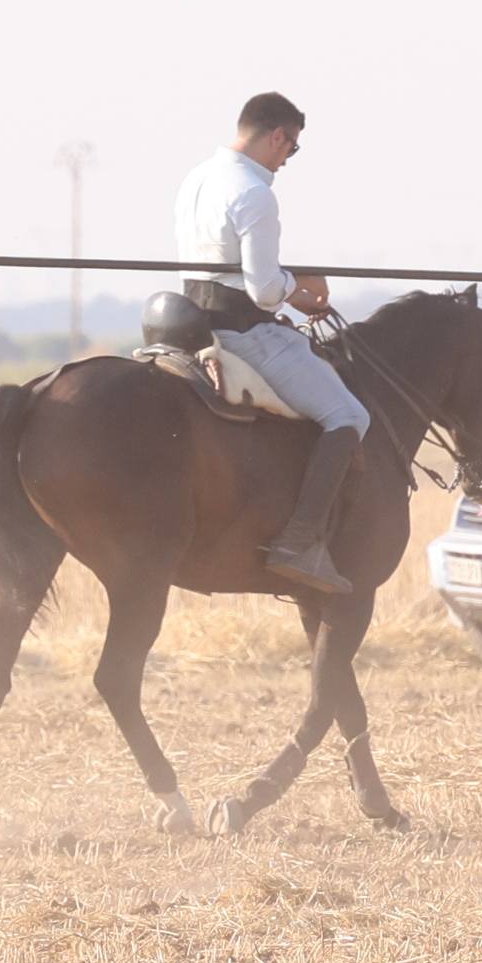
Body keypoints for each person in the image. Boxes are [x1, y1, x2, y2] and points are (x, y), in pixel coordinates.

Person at [173, 91, 370, 595]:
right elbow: (262, 292)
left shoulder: (197, 177)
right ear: (277, 135)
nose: (288, 160)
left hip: (191, 323)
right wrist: (299, 293)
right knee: (350, 417)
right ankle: (299, 542)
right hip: (244, 333)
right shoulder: (256, 192)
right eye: (292, 148)